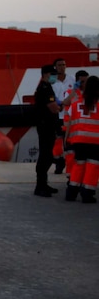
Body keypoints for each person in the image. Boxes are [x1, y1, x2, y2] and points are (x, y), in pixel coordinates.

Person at [64, 75, 99, 203]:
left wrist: (66, 141)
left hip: (78, 140)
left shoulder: (76, 103)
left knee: (78, 165)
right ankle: (87, 193)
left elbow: (69, 123)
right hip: (95, 141)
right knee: (92, 167)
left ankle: (71, 192)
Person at [33, 64, 61, 197]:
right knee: (46, 155)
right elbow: (53, 108)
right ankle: (40, 185)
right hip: (46, 126)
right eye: (53, 74)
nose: (55, 77)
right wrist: (59, 106)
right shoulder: (45, 88)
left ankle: (43, 183)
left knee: (47, 155)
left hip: (47, 125)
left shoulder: (46, 87)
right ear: (45, 75)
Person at [51, 58, 75, 174]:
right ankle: (59, 162)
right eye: (59, 65)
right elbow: (49, 94)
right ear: (55, 67)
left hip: (69, 116)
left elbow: (76, 93)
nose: (62, 67)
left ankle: (68, 163)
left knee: (68, 141)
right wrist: (59, 103)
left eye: (64, 65)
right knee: (57, 141)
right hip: (57, 115)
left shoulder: (72, 79)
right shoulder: (52, 79)